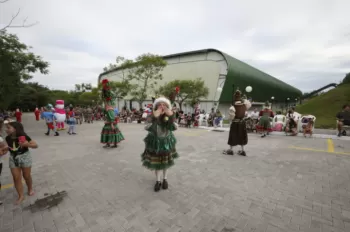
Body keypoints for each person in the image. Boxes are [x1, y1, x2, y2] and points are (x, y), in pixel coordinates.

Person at [141, 96, 179, 192]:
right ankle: (158, 181)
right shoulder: (153, 115)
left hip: (166, 142)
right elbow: (146, 126)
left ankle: (165, 179)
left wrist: (170, 116)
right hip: (155, 143)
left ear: (167, 106)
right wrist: (155, 116)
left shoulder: (169, 115)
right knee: (157, 163)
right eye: (159, 105)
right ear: (156, 106)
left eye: (164, 105)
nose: (162, 106)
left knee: (166, 162)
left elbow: (174, 127)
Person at [5, 121, 38, 204]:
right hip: (13, 158)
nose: (6, 129)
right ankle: (21, 196)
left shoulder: (24, 136)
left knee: (26, 176)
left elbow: (35, 145)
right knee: (16, 177)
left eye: (9, 128)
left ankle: (30, 188)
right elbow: (9, 147)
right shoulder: (7, 138)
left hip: (25, 156)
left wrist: (27, 145)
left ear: (15, 129)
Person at [223, 88, 252, 156]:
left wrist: (230, 118)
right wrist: (244, 99)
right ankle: (242, 150)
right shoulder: (245, 105)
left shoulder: (233, 107)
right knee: (242, 136)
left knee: (233, 136)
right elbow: (249, 104)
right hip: (242, 123)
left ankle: (231, 150)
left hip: (235, 123)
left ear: (234, 98)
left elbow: (231, 117)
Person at [100, 79, 125, 148]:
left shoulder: (109, 107)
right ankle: (111, 144)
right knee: (110, 132)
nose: (104, 102)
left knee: (110, 132)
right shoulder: (109, 106)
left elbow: (111, 116)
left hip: (111, 122)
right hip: (110, 122)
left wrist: (111, 124)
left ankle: (113, 144)